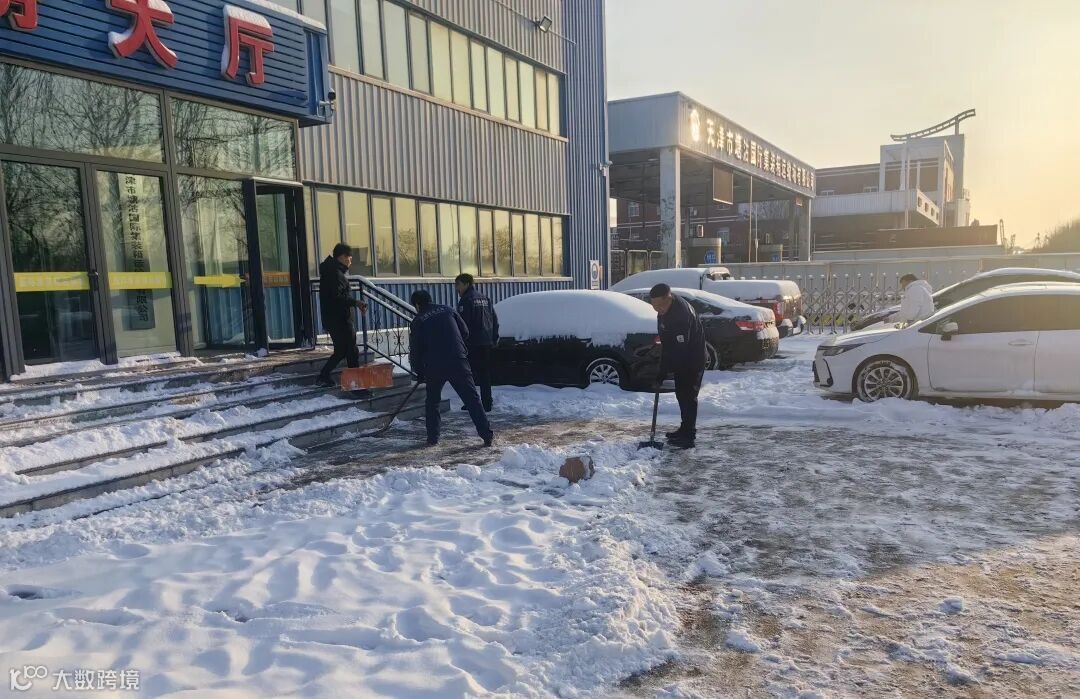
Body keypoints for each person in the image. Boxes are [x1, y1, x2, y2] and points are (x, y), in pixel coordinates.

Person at [409, 289, 494, 448]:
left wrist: (419, 371)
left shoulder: (418, 320)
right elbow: (465, 332)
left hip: (434, 365)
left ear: (417, 305)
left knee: (432, 402)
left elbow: (416, 350)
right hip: (458, 360)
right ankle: (486, 434)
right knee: (472, 399)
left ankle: (432, 438)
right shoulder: (448, 310)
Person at [649, 283, 706, 449]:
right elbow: (667, 343)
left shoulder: (680, 316)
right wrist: (662, 369)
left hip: (692, 359)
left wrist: (664, 371)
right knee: (681, 394)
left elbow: (678, 349)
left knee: (688, 395)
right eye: (654, 306)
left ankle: (689, 436)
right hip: (682, 356)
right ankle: (684, 429)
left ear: (669, 298)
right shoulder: (665, 310)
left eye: (660, 305)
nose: (657, 309)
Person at [316, 243, 367, 387]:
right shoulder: (334, 274)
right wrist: (355, 302)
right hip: (340, 319)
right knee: (351, 351)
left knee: (342, 350)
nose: (351, 260)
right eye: (349, 257)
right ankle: (356, 386)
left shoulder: (333, 271)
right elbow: (337, 297)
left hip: (336, 318)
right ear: (342, 257)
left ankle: (324, 376)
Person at [455, 273, 499, 412]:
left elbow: (463, 324)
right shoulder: (484, 298)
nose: (456, 288)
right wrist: (494, 337)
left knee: (469, 374)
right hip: (486, 341)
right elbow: (494, 319)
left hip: (472, 343)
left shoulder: (466, 300)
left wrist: (460, 342)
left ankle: (472, 403)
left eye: (458, 284)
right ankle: (487, 403)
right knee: (485, 373)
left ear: (466, 284)